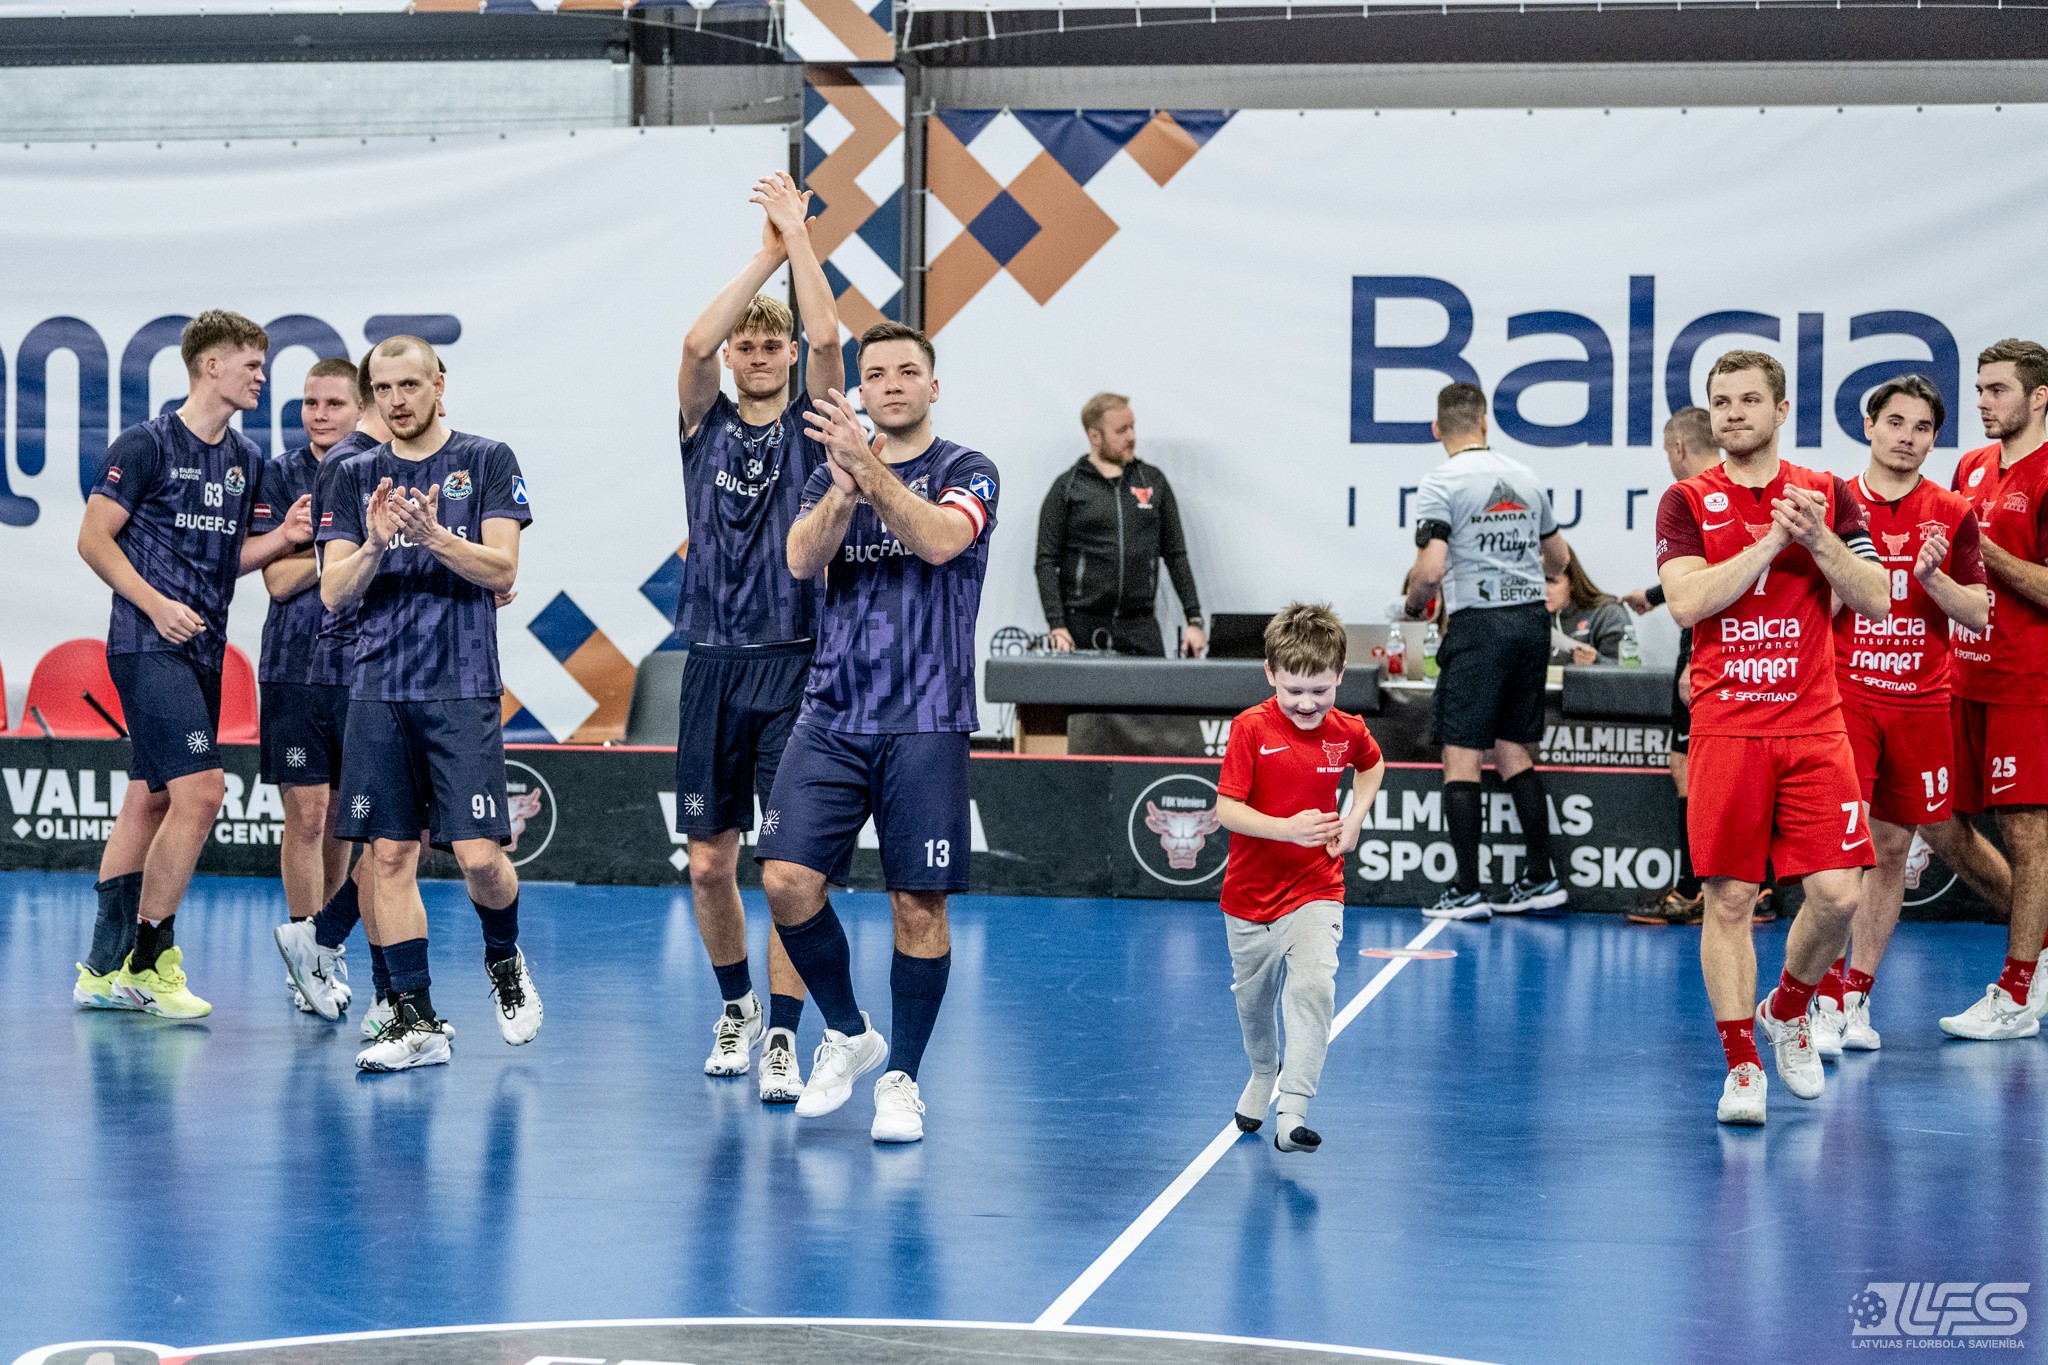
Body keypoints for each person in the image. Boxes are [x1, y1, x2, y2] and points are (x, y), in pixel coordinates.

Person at [758, 321, 999, 1143]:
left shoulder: (969, 469)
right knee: (786, 879)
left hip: (927, 716)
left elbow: (939, 540)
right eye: (877, 373)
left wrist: (870, 472)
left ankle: (904, 1079)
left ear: (933, 386)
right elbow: (800, 558)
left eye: (907, 371)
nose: (892, 383)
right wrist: (843, 486)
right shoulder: (833, 471)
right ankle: (850, 1032)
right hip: (831, 711)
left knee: (916, 904)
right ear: (860, 390)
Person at [1656, 349, 1888, 1125]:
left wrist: (1817, 539)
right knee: (1727, 897)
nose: (1733, 413)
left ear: (1781, 410)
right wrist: (1767, 545)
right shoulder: (1687, 500)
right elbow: (1686, 602)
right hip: (1728, 726)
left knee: (1839, 893)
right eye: (1721, 400)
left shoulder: (1826, 493)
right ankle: (1742, 1066)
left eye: (1749, 399)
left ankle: (1788, 1007)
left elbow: (1877, 597)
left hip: (1813, 722)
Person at [72, 310, 313, 1019]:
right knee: (203, 792)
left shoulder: (245, 459)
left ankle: (101, 969)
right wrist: (155, 604)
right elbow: (93, 539)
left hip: (201, 650)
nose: (262, 377)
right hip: (147, 644)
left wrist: (283, 538)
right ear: (211, 366)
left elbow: (224, 560)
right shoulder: (145, 444)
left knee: (149, 799)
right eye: (252, 365)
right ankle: (151, 961)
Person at [315, 335, 542, 1071]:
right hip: (378, 689)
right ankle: (415, 1018)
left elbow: (502, 567)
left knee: (480, 858)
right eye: (383, 389)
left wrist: (434, 535)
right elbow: (332, 591)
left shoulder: (487, 459)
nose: (396, 401)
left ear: (439, 385)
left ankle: (503, 958)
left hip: (461, 686)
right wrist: (376, 544)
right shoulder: (351, 474)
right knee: (388, 854)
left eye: (409, 385)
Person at [671, 170, 839, 1102]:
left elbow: (830, 338)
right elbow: (694, 341)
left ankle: (783, 1033)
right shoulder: (702, 424)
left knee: (787, 867)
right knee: (709, 864)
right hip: (712, 663)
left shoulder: (817, 425)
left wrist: (799, 243)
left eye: (773, 343)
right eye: (751, 344)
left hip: (797, 664)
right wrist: (764, 255)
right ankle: (735, 1006)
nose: (761, 353)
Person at [1804, 376, 1987, 1056]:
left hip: (1922, 700)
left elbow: (1979, 612)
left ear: (1935, 439)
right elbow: (1810, 602)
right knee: (1841, 853)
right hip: (1846, 697)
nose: (1907, 437)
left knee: (1887, 853)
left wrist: (1935, 579)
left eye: (1922, 427)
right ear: (1870, 426)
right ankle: (1822, 1000)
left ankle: (1856, 996)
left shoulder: (1953, 511)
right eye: (1896, 422)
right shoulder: (1834, 502)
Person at [1213, 604, 1385, 1153]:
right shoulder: (1251, 728)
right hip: (1249, 897)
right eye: (1293, 690)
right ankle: (1264, 1071)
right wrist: (1286, 829)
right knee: (1253, 1004)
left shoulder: (1348, 730)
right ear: (1271, 674)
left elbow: (1372, 764)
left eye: (1319, 690)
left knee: (1313, 987)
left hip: (1317, 887)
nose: (1307, 703)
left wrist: (1354, 819)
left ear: (1340, 676)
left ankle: (1293, 1111)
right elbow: (1226, 811)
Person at [1402, 382, 1571, 921]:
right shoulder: (1525, 476)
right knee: (1514, 750)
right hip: (1531, 622)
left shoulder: (1441, 482)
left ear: (1437, 429)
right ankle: (1542, 878)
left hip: (1479, 625)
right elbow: (1559, 560)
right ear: (1484, 423)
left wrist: (1414, 604)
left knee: (1462, 757)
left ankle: (1467, 889)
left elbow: (1431, 571)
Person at [1934, 338, 2048, 1041]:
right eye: (1979, 388)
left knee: (2028, 834)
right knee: (1937, 821)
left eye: (1997, 389)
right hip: (1961, 673)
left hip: (2027, 682)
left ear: (2039, 397)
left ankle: (2017, 991)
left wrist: (1988, 551)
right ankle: (2041, 949)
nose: (1981, 401)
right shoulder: (1970, 466)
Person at [257, 357, 369, 1015]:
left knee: (342, 820)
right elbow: (276, 580)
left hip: (361, 669)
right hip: (293, 667)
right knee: (306, 814)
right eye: (309, 403)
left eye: (333, 403)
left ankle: (327, 946)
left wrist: (321, 550)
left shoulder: (378, 468)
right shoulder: (279, 474)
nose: (319, 415)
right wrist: (349, 549)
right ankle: (304, 956)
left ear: (360, 408)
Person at [1626, 407, 1722, 927]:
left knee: (1689, 766)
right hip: (1743, 656)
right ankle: (1759, 886)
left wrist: (1693, 662)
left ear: (1680, 448)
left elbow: (1706, 587)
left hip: (1707, 652)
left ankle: (1691, 888)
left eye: (1668, 452)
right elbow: (1715, 571)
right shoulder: (1733, 490)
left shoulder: (1694, 496)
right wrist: (1655, 594)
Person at [1035, 393, 1206, 657]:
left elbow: (1176, 555)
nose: (1131, 436)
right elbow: (1046, 560)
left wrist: (1194, 620)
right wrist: (1056, 625)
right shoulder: (1068, 487)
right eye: (1121, 430)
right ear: (1095, 436)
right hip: (1081, 627)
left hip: (1141, 626)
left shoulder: (1153, 481)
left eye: (1132, 427)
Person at [1546, 547, 1631, 665]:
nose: (1542, 590)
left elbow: (1627, 671)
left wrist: (1596, 660)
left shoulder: (1608, 613)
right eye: (1536, 583)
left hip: (1594, 678)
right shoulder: (1530, 616)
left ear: (1573, 582)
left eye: (1551, 581)